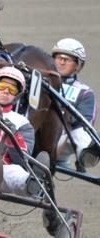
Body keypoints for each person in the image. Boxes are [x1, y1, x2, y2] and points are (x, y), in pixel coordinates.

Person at [0, 66, 47, 197]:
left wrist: (13, 137)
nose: (6, 91)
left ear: (17, 95)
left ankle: (30, 183)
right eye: (2, 85)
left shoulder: (22, 123)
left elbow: (22, 161)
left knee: (14, 171)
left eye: (12, 89)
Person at [51, 38, 99, 168]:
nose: (61, 62)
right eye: (58, 58)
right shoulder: (38, 81)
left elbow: (85, 122)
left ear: (77, 65)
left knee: (82, 131)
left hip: (64, 137)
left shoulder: (84, 92)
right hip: (33, 134)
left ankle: (86, 154)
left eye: (66, 59)